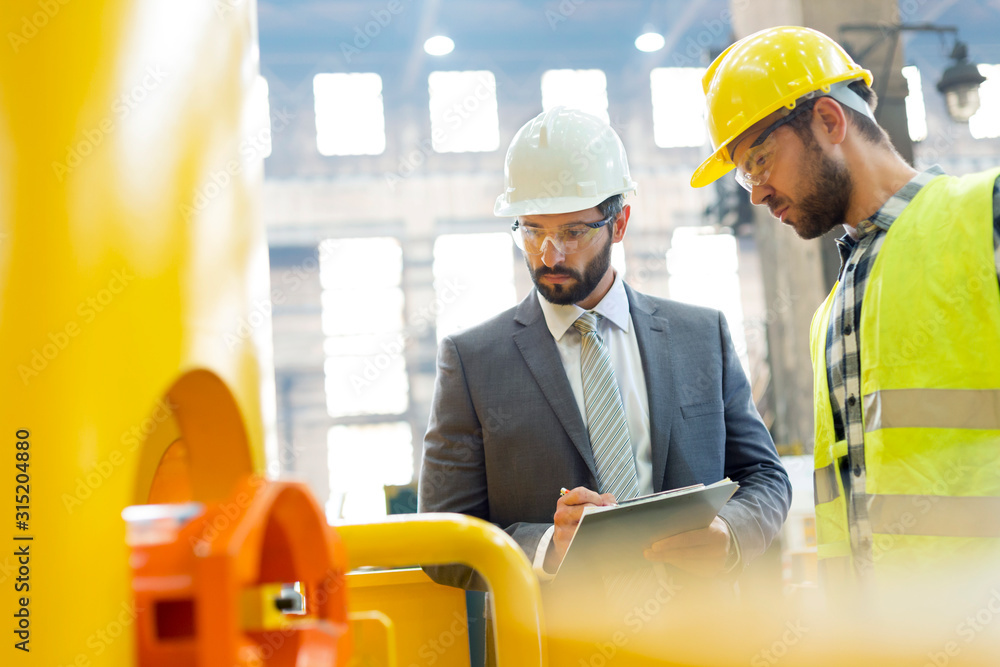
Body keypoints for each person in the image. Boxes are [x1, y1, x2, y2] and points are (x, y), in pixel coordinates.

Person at [419, 106, 791, 595]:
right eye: (532, 230)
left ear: (619, 224)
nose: (549, 255)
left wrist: (731, 534)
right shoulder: (472, 362)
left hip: (701, 641)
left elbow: (764, 475)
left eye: (573, 232)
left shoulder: (700, 336)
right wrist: (549, 545)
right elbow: (443, 541)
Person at [692, 26, 1000, 587]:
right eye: (744, 175)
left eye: (760, 160)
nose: (756, 193)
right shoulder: (829, 316)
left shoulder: (984, 217)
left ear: (829, 122)